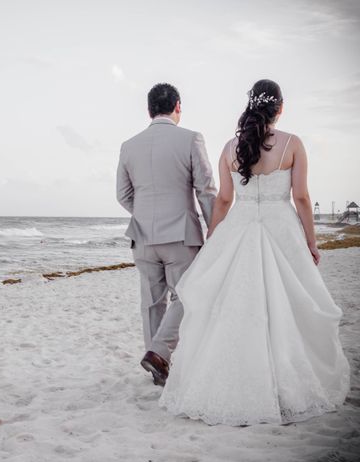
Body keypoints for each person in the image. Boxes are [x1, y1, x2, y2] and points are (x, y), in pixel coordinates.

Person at [159, 79, 350, 426]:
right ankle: (285, 386)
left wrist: (214, 236)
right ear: (279, 107)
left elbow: (224, 200)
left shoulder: (232, 147)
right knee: (287, 306)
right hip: (282, 229)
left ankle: (228, 383)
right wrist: (311, 241)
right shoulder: (293, 144)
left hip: (240, 229)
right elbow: (302, 198)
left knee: (236, 309)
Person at [116, 83, 217, 386]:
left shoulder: (128, 145)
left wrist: (146, 212)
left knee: (152, 302)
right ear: (178, 107)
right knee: (189, 294)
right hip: (181, 235)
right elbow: (206, 190)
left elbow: (123, 194)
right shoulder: (190, 139)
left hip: (142, 236)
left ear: (149, 110)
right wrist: (215, 229)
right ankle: (160, 353)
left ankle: (159, 367)